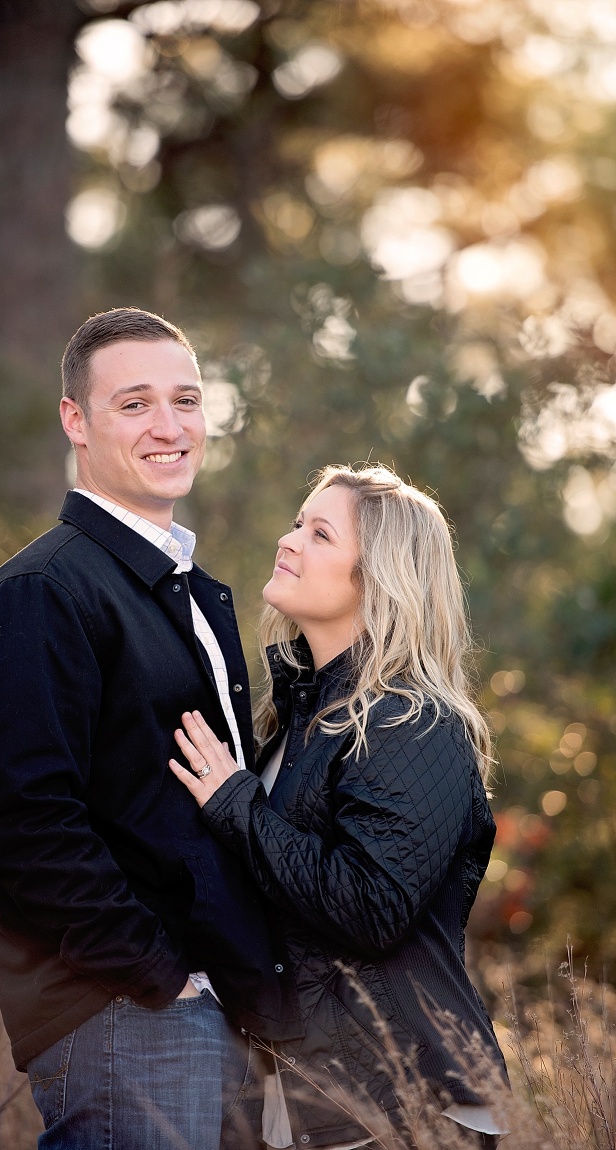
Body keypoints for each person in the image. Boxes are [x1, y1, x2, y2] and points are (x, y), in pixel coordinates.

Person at [0, 307, 302, 1150]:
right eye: (135, 404)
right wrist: (155, 973)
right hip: (127, 1015)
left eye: (186, 400)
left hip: (212, 1006)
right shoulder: (42, 594)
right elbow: (24, 820)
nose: (169, 427)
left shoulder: (186, 589)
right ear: (75, 420)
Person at [170, 463, 509, 1150]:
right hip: (314, 1103)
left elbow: (371, 905)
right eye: (298, 523)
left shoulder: (413, 722)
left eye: (320, 534)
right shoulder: (297, 720)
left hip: (406, 1105)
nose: (288, 540)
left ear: (378, 578)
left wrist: (236, 805)